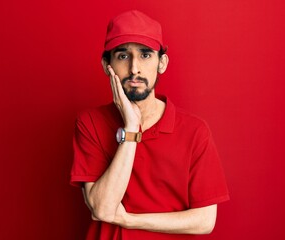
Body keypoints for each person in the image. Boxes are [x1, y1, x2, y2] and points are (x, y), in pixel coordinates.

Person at [70, 10, 229, 239]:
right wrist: (132, 129)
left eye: (145, 55)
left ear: (162, 62)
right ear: (107, 65)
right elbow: (103, 208)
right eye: (123, 56)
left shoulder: (195, 131)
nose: (135, 69)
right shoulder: (90, 123)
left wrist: (129, 220)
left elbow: (204, 221)